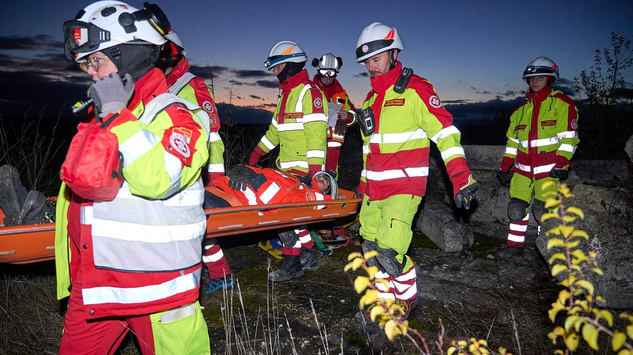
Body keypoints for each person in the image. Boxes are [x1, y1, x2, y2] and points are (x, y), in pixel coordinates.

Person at [58, 2, 210, 353]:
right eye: (86, 63)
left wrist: (116, 116)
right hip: (97, 285)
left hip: (157, 292)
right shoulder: (107, 117)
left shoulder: (179, 116)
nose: (91, 73)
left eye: (97, 61)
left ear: (129, 56)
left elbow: (158, 179)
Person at [354, 22, 479, 324]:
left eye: (377, 58)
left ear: (394, 53)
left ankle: (406, 300)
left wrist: (461, 177)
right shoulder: (370, 100)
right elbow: (369, 149)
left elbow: (446, 134)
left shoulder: (416, 90)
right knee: (370, 248)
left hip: (404, 189)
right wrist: (362, 185)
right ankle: (382, 302)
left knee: (390, 252)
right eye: (367, 61)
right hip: (375, 191)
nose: (371, 66)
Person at [156, 30, 233, 293]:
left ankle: (220, 275)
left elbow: (211, 128)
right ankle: (210, 274)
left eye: (165, 56)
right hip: (177, 161)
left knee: (200, 223)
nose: (161, 63)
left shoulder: (190, 84)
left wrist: (214, 179)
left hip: (202, 162)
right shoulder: (161, 84)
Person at [250, 41, 329, 282]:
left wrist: (316, 175)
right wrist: (254, 155)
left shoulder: (310, 93)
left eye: (277, 67)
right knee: (296, 221)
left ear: (291, 66)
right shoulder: (287, 94)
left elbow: (317, 138)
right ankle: (309, 256)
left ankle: (292, 263)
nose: (274, 72)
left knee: (284, 219)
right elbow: (274, 132)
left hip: (305, 172)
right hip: (286, 172)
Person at [497, 56, 579, 262]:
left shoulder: (563, 105)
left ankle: (545, 252)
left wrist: (563, 163)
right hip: (522, 170)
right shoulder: (519, 111)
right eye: (531, 78)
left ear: (550, 79)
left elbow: (569, 138)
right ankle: (515, 247)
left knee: (543, 211)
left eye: (540, 77)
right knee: (516, 209)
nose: (535, 81)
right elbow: (512, 143)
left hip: (549, 170)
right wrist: (505, 166)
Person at [311, 53, 357, 174]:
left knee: (330, 185)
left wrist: (349, 116)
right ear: (318, 71)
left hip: (333, 159)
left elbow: (354, 115)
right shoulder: (309, 91)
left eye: (331, 74)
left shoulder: (341, 94)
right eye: (325, 73)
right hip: (311, 151)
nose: (328, 78)